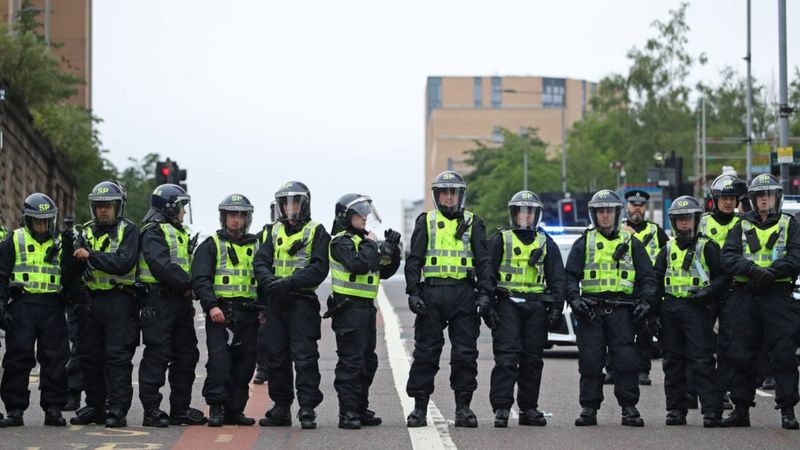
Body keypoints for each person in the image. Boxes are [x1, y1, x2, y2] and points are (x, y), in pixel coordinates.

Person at [404, 171, 494, 428]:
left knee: (465, 353)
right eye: (444, 192)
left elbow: (484, 261)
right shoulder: (426, 221)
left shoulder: (474, 222)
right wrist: (413, 291)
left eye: (453, 192)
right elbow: (414, 260)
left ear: (460, 195)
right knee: (426, 352)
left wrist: (485, 293)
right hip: (432, 294)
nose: (449, 197)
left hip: (464, 294)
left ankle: (463, 408)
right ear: (437, 195)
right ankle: (419, 408)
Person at [564, 189, 657, 427]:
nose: (605, 216)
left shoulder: (632, 243)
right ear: (594, 215)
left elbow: (648, 277)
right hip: (591, 312)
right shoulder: (584, 242)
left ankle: (629, 408)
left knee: (625, 361)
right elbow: (569, 277)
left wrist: (646, 302)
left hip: (622, 312)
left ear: (617, 213)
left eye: (609, 211)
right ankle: (588, 408)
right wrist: (575, 300)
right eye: (600, 212)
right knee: (590, 362)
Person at [721, 173, 800, 430]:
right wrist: (753, 271)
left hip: (778, 296)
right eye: (759, 196)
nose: (764, 200)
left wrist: (771, 274)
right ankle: (741, 410)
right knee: (741, 353)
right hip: (746, 296)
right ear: (752, 199)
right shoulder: (740, 225)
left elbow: (796, 256)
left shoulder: (790, 224)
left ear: (777, 197)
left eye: (769, 195)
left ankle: (787, 411)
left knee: (784, 355)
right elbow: (728, 257)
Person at [0, 193, 84, 427]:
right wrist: (1, 307)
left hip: (53, 306)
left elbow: (71, 278)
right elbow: (1, 275)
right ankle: (15, 410)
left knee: (55, 359)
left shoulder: (60, 242)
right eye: (38, 220)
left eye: (47, 220)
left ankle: (54, 408)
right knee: (18, 358)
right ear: (27, 219)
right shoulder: (13, 240)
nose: (43, 225)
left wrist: (68, 251)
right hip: (22, 305)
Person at [254, 181, 330, 430]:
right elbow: (261, 261)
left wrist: (289, 283)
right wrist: (269, 282)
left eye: (295, 202)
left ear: (305, 203)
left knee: (305, 357)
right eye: (285, 203)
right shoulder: (272, 231)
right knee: (276, 356)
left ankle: (307, 408)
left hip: (302, 302)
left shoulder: (317, 231)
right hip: (276, 301)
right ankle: (281, 407)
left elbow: (318, 268)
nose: (290, 208)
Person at [489, 191, 565, 428]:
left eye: (530, 211)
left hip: (536, 308)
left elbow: (557, 280)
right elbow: (486, 275)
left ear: (537, 215)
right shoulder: (500, 240)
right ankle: (501, 408)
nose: (526, 216)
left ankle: (528, 408)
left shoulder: (546, 243)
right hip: (508, 304)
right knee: (506, 358)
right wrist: (488, 304)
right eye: (521, 211)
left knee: (532, 360)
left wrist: (555, 310)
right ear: (514, 214)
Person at [69, 181, 140, 428]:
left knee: (117, 357)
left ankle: (117, 409)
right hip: (90, 300)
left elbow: (124, 262)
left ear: (118, 207)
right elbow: (73, 264)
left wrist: (90, 256)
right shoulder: (84, 231)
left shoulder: (129, 230)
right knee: (88, 356)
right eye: (98, 206)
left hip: (119, 300)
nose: (102, 211)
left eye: (108, 206)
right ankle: (95, 406)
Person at [326, 193, 401, 429]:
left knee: (368, 362)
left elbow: (384, 271)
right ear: (346, 217)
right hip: (348, 308)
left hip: (367, 309)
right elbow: (358, 265)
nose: (365, 218)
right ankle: (347, 412)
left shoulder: (364, 241)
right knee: (351, 362)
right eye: (360, 214)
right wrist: (372, 244)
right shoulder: (341, 241)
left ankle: (360, 407)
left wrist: (392, 251)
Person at [137, 184, 207, 427]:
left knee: (186, 355)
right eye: (181, 207)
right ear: (169, 206)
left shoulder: (180, 232)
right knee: (157, 355)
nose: (184, 213)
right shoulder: (153, 231)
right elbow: (161, 265)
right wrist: (190, 284)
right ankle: (152, 410)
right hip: (159, 301)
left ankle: (180, 409)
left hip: (179, 301)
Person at [653, 195, 726, 427]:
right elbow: (655, 282)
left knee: (702, 361)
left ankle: (712, 411)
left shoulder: (708, 246)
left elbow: (723, 277)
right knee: (672, 362)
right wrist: (652, 314)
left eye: (688, 219)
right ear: (674, 222)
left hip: (697, 309)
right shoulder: (667, 248)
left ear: (696, 220)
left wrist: (708, 293)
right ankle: (676, 409)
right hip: (671, 309)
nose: (684, 224)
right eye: (679, 220)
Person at [192, 194, 260, 427]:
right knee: (220, 362)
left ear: (247, 218)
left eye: (240, 215)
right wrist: (211, 306)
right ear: (224, 217)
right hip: (222, 313)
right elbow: (201, 279)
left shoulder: (257, 245)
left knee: (245, 364)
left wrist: (265, 309)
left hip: (250, 314)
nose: (236, 220)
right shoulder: (211, 244)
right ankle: (217, 409)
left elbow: (264, 278)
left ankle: (235, 410)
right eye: (232, 215)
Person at [607, 189, 668, 387]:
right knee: (615, 330)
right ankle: (612, 369)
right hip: (623, 286)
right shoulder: (617, 229)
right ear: (627, 206)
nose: (637, 208)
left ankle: (642, 370)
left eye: (641, 205)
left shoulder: (656, 231)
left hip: (647, 288)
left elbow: (667, 257)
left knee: (645, 330)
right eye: (634, 204)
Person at [698, 173, 747, 411]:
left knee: (728, 344)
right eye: (724, 197)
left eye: (733, 198)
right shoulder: (702, 222)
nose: (728, 202)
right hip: (706, 290)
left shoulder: (744, 223)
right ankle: (698, 389)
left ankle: (724, 391)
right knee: (702, 342)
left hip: (734, 290)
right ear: (715, 199)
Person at [253, 200, 279, 385]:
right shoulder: (262, 235)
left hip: (289, 291)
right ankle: (262, 367)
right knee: (263, 334)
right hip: (266, 292)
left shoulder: (301, 232)